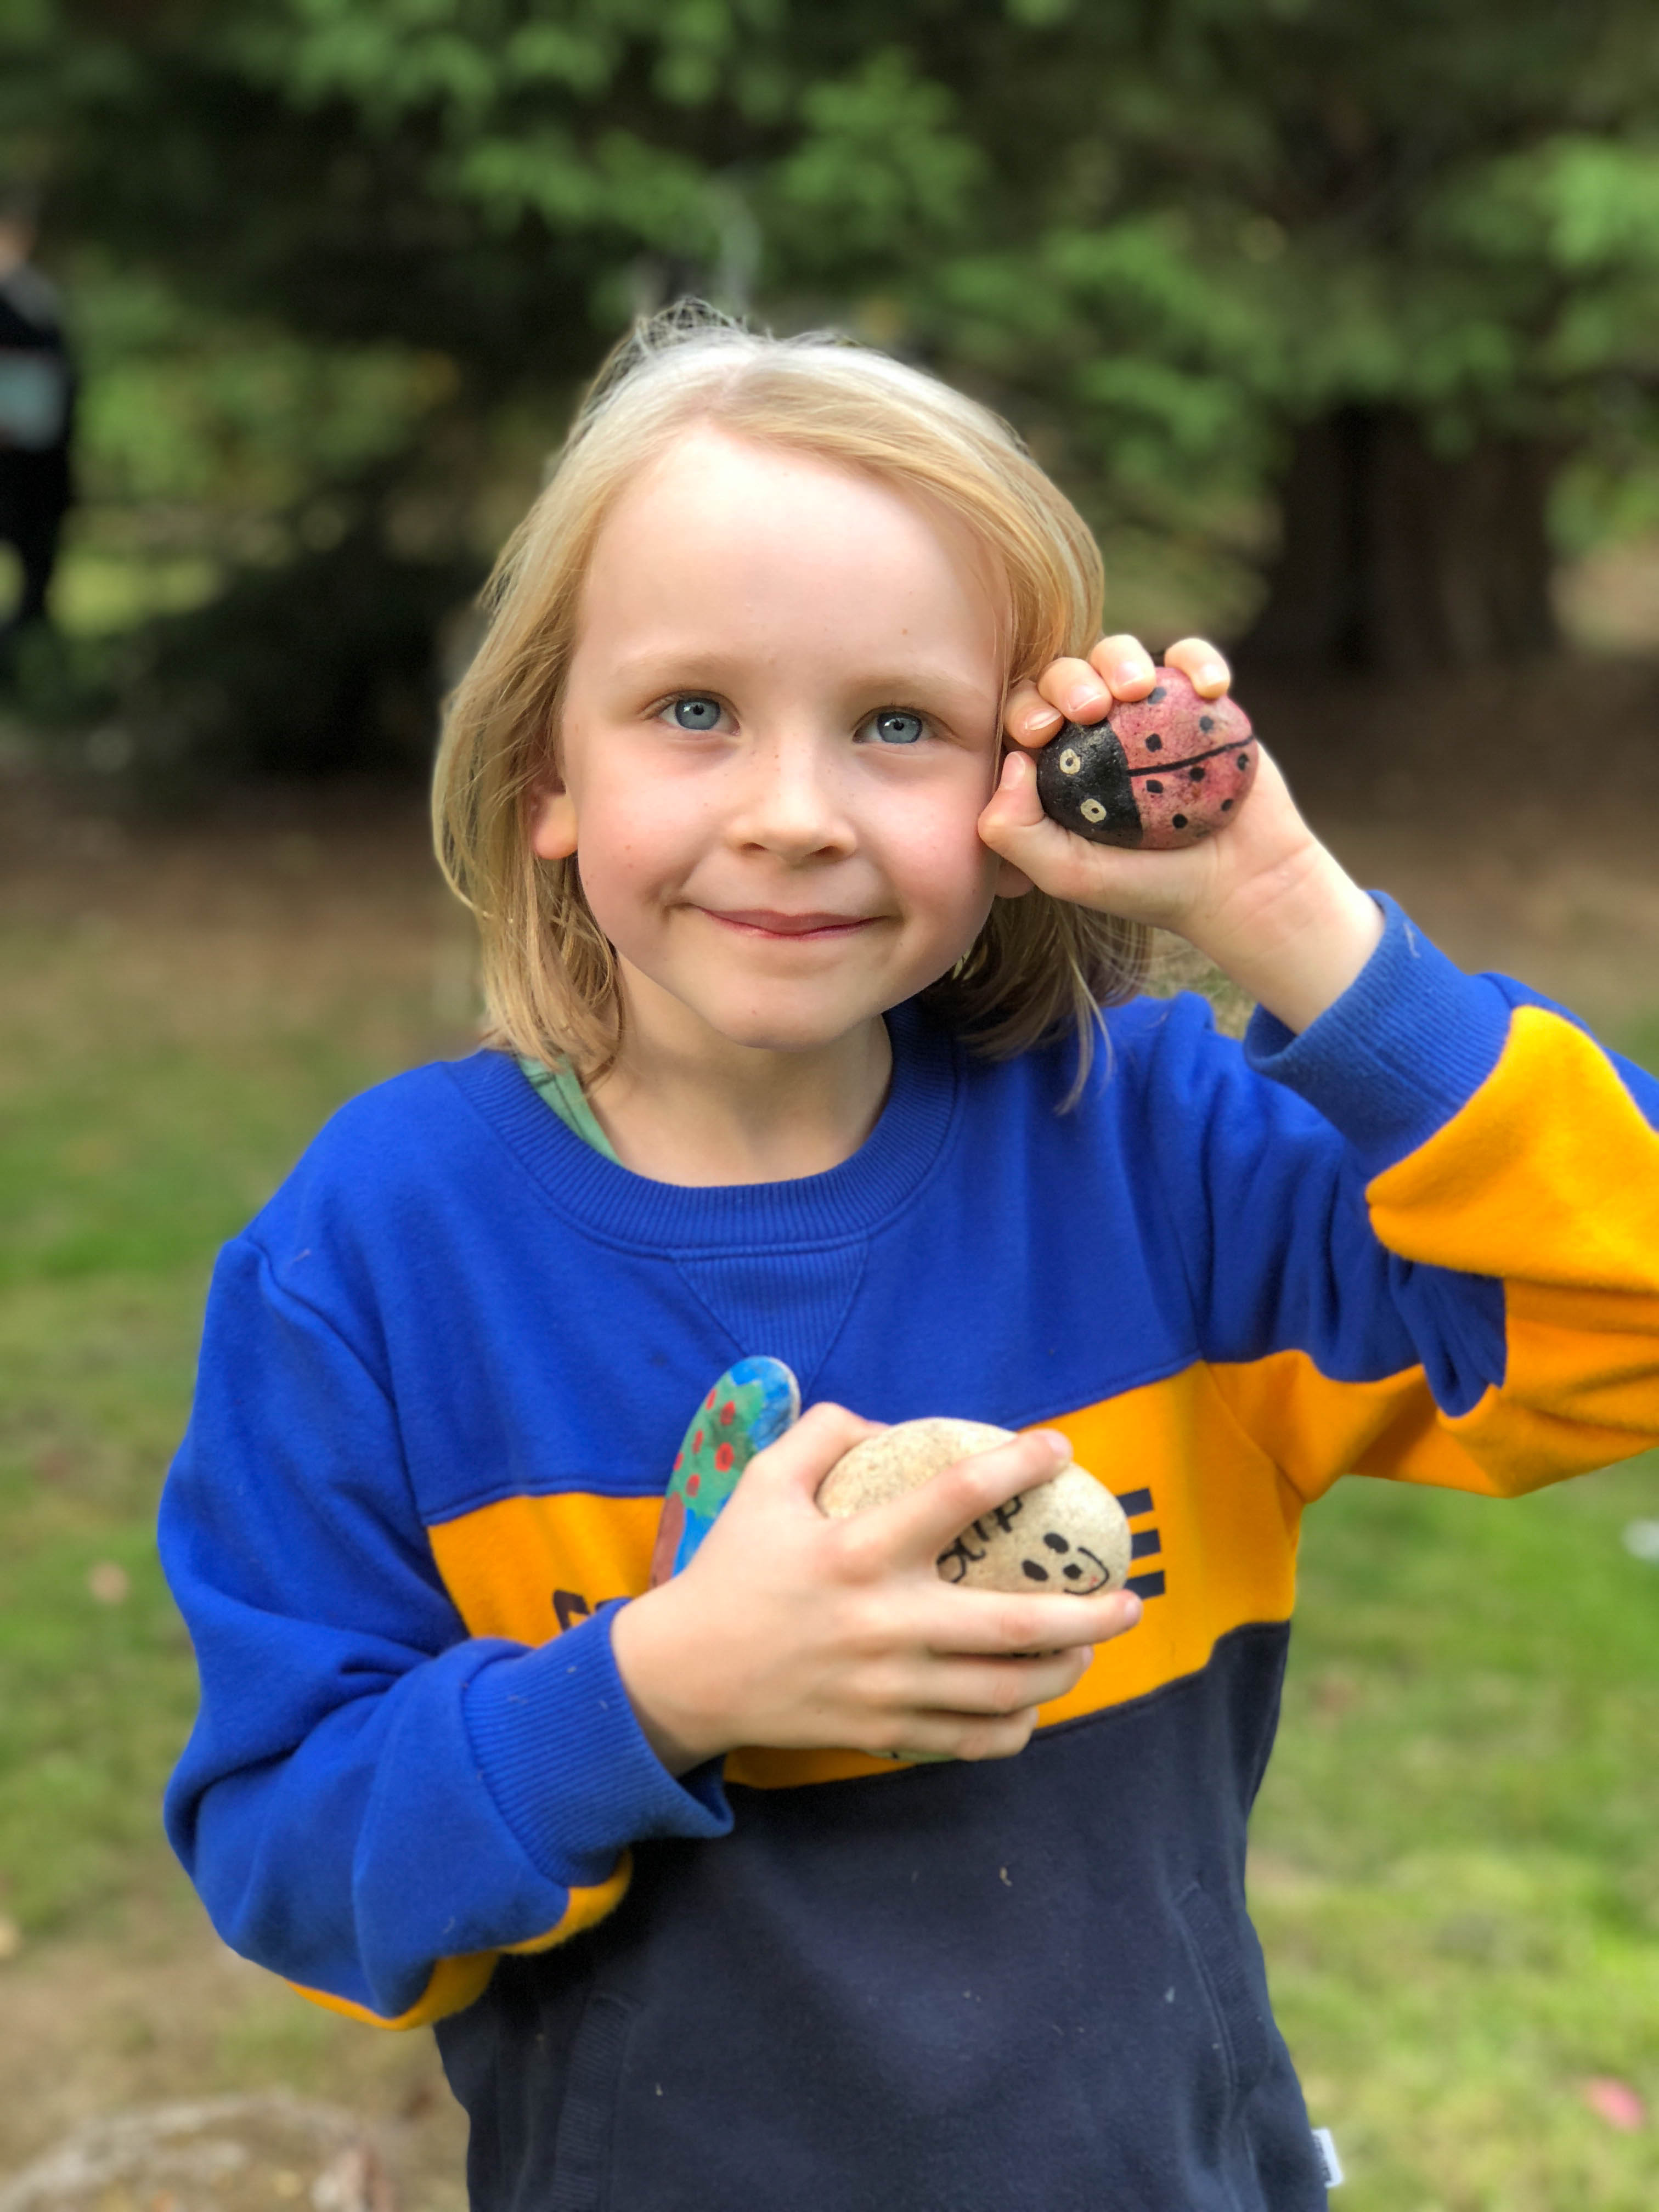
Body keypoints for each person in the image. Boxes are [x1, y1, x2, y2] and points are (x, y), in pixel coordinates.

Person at [159, 309, 1659, 2212]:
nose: (791, 813)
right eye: (692, 710)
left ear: (1017, 790)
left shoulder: (1156, 1158)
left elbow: (1627, 1316)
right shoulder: (375, 1251)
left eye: (895, 725)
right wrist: (659, 1686)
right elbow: (296, 1857)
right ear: (549, 770)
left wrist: (1285, 914)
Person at [0, 190, 74, 657]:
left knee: (36, 561)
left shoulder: (38, 298)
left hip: (34, 463)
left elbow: (59, 379)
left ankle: (25, 654)